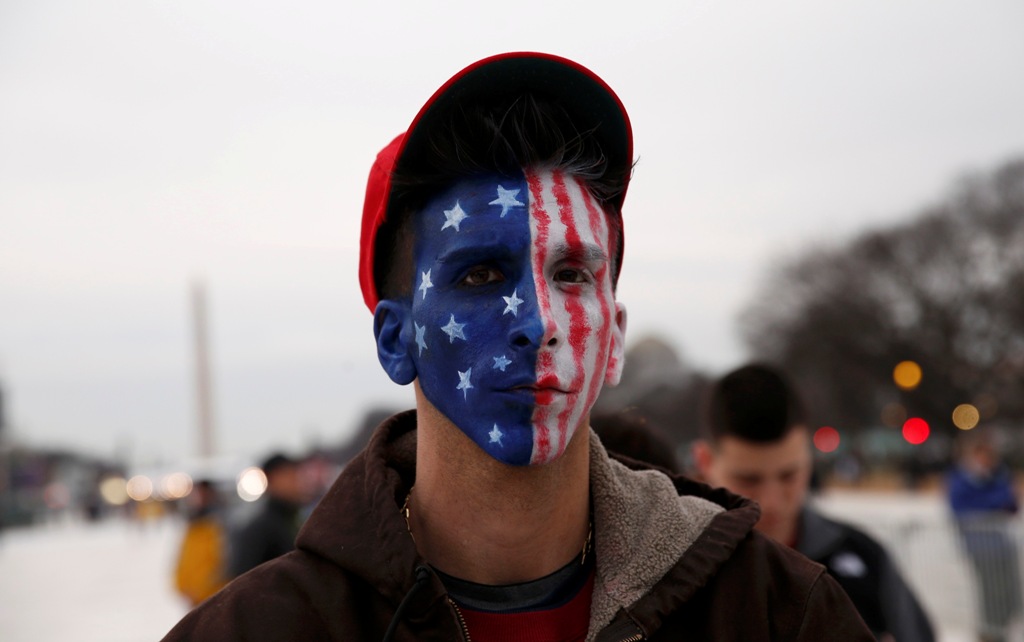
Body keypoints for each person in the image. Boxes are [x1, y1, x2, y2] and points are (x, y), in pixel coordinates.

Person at [162, 52, 872, 641]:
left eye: (571, 273)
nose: (539, 321)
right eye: (480, 274)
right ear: (394, 339)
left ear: (614, 340)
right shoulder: (255, 632)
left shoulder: (780, 614)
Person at [692, 363, 935, 642]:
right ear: (705, 461)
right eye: (749, 479)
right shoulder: (683, 576)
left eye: (788, 476)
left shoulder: (866, 559)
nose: (771, 502)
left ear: (808, 455)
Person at [947, 429, 1022, 642]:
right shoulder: (962, 478)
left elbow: (1011, 503)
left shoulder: (999, 474)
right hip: (980, 545)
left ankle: (1002, 629)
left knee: (1010, 590)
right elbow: (962, 509)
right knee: (990, 591)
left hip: (1002, 543)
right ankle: (990, 633)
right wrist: (995, 505)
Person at [227, 453, 309, 578]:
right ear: (272, 479)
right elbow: (243, 581)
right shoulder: (259, 528)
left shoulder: (294, 520)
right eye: (290, 475)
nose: (297, 482)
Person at [173, 479, 228, 606]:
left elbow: (224, 563)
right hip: (195, 599)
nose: (198, 498)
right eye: (196, 494)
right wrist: (181, 585)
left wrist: (203, 588)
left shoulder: (222, 525)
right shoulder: (192, 524)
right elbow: (184, 557)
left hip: (217, 597)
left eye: (202, 493)